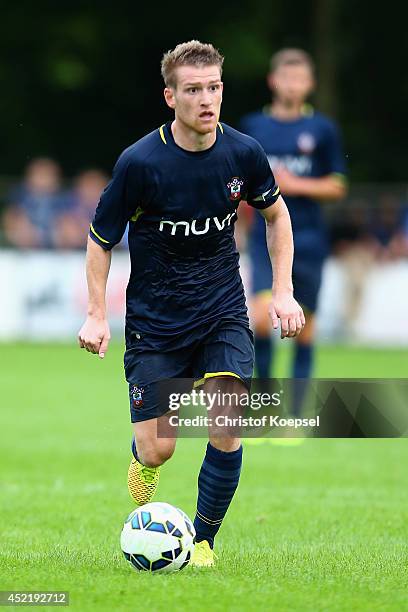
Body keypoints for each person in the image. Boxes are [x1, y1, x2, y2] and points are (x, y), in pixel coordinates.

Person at [78, 40, 304, 567]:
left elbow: (277, 217)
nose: (207, 99)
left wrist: (285, 290)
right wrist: (94, 313)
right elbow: (99, 238)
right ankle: (144, 457)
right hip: (155, 324)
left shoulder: (243, 153)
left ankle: (202, 540)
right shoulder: (140, 163)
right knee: (161, 448)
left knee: (227, 422)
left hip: (223, 309)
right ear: (170, 97)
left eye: (214, 88)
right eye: (194, 90)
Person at [239, 49, 347, 411]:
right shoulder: (254, 126)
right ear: (274, 82)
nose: (293, 85)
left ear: (310, 85)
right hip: (264, 238)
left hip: (310, 239)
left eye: (301, 79)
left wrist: (295, 185)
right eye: (287, 78)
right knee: (262, 320)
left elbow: (337, 186)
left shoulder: (322, 129)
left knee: (304, 329)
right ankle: (265, 403)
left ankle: (297, 409)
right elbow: (238, 182)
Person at [3, 157, 66, 249]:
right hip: (25, 245)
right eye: (39, 175)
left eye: (47, 176)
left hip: (55, 247)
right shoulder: (20, 196)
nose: (43, 181)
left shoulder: (63, 199)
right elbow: (9, 217)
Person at [54, 170, 109, 249]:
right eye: (88, 186)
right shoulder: (68, 211)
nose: (91, 192)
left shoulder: (116, 213)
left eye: (96, 187)